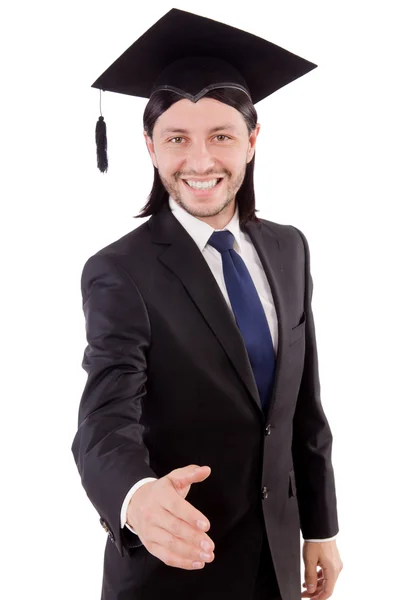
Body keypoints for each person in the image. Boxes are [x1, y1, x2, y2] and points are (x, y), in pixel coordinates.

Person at [71, 8, 343, 600]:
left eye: (220, 135)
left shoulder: (289, 248)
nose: (200, 162)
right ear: (149, 147)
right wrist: (136, 496)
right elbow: (102, 419)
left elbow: (302, 407)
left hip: (277, 560)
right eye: (176, 139)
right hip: (174, 570)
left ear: (252, 140)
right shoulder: (120, 271)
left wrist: (320, 526)